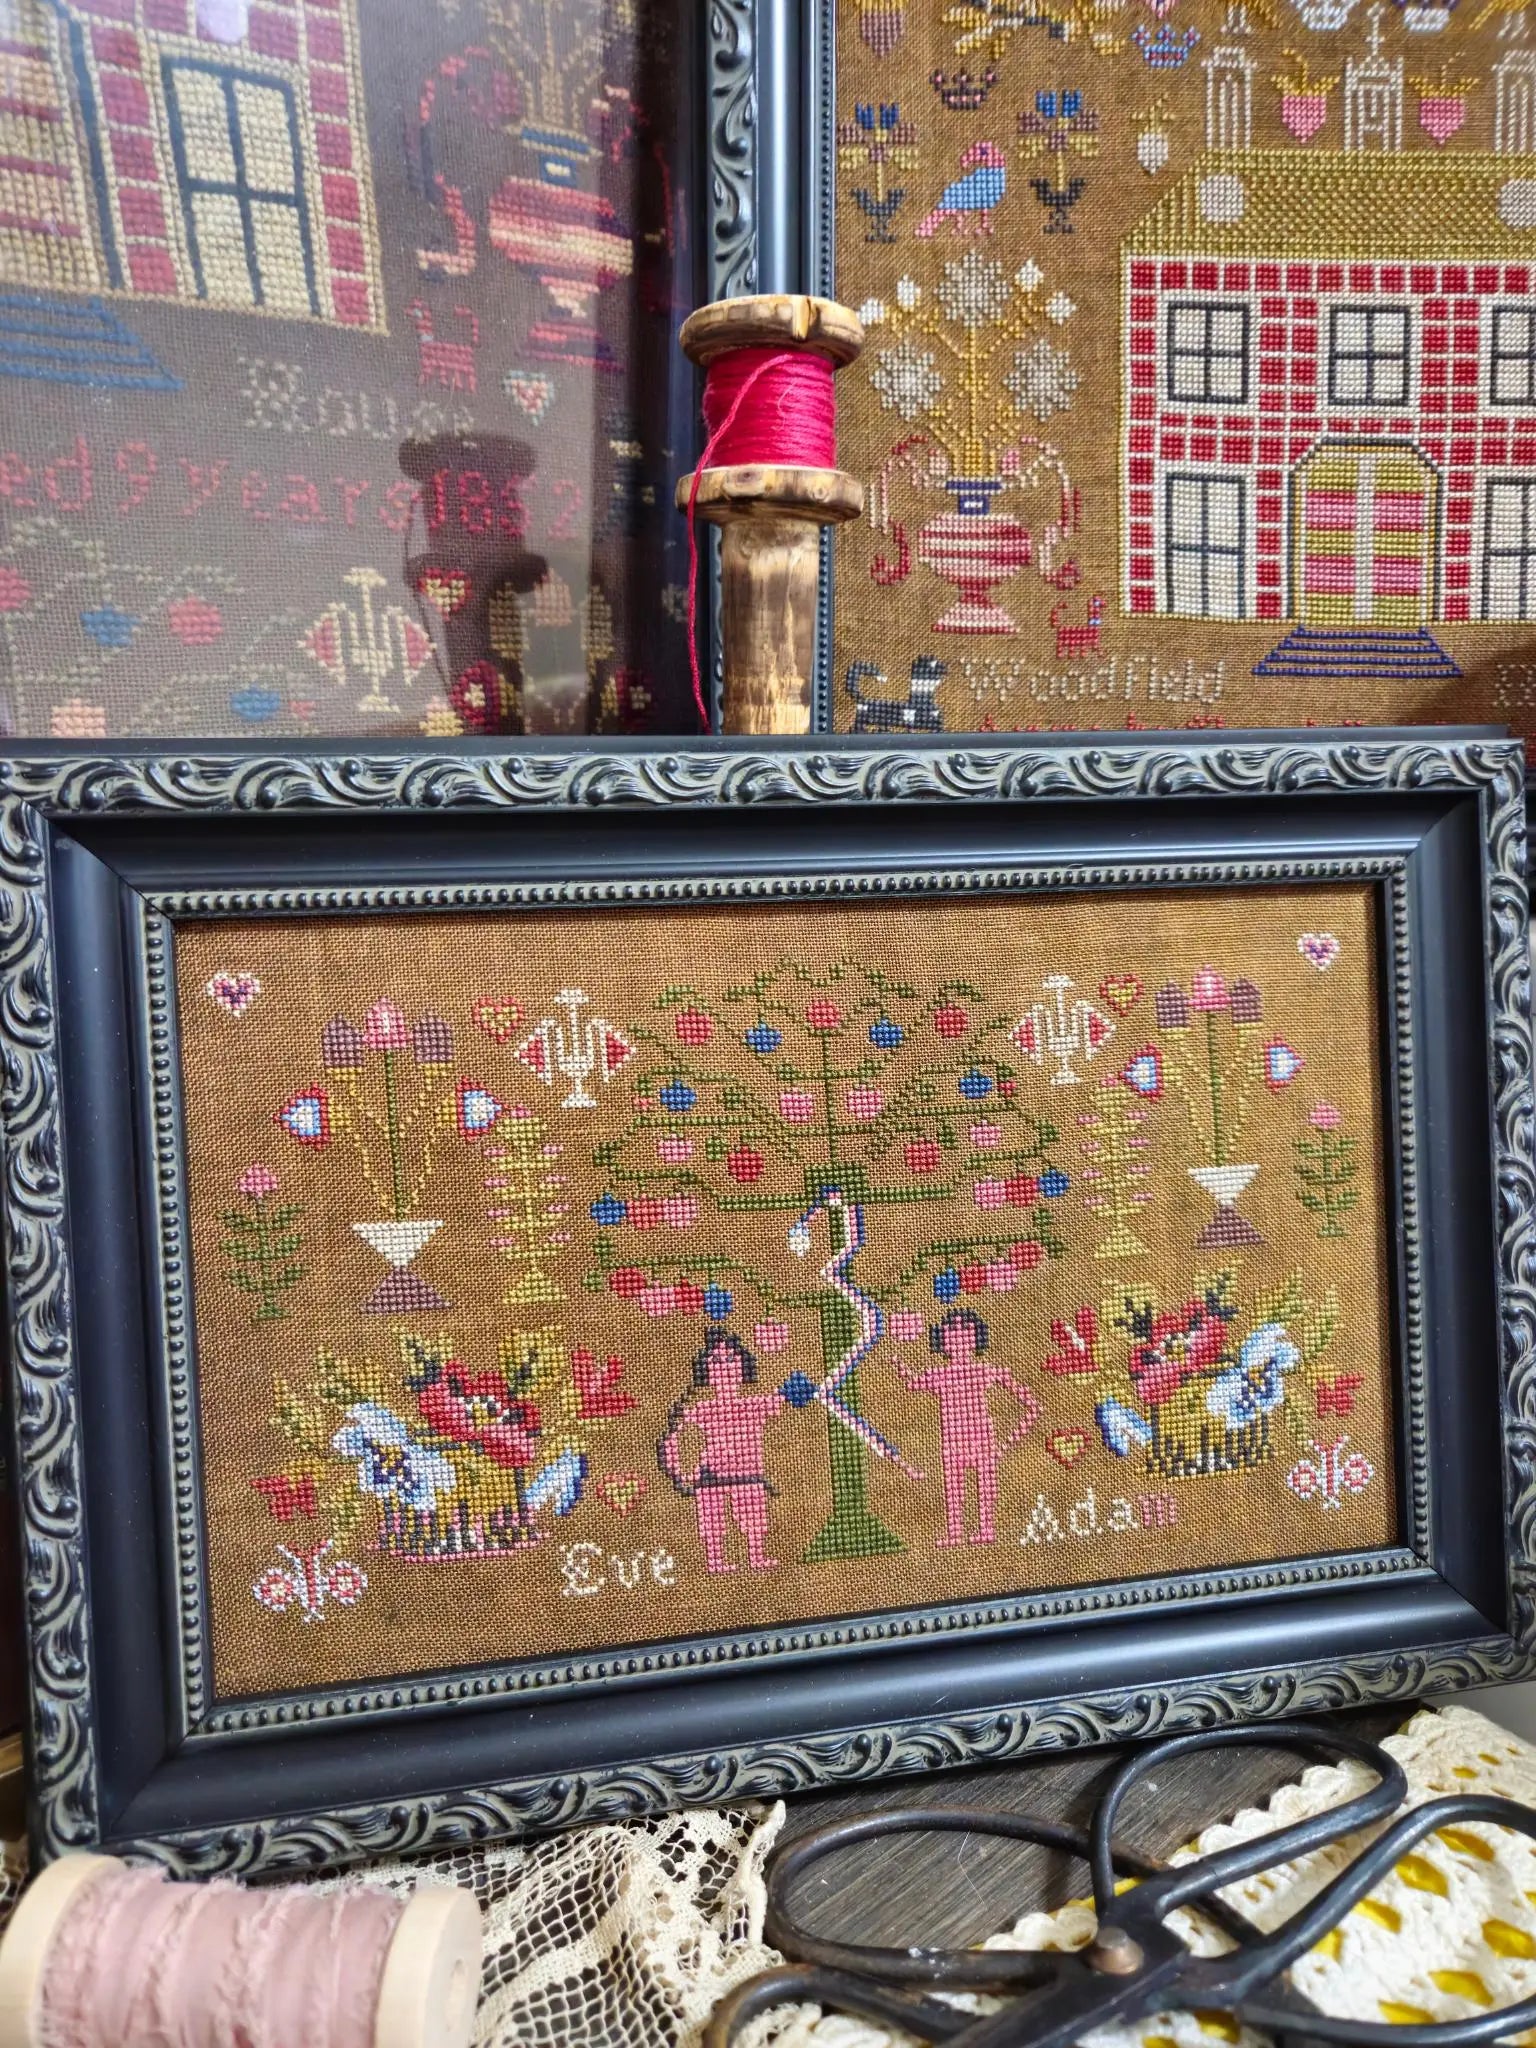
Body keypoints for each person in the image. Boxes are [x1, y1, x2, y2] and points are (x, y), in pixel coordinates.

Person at [897, 1308, 1038, 1545]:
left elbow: (1032, 1407)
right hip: (953, 1442)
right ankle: (955, 1532)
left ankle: (986, 1529)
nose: (958, 1334)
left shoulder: (984, 1372)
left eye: (965, 1328)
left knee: (984, 1484)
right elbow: (912, 1383)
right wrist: (897, 1363)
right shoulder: (940, 1375)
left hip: (981, 1439)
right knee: (954, 1486)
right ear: (941, 1338)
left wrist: (1008, 1441)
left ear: (977, 1337)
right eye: (952, 1329)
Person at [658, 1328, 788, 1572]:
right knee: (712, 1521)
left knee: (753, 1517)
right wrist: (678, 1470)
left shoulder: (753, 1405)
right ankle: (715, 1560)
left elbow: (779, 1399)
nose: (724, 1367)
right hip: (710, 1476)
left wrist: (793, 1390)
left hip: (747, 1475)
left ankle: (756, 1555)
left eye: (730, 1359)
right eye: (716, 1361)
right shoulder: (702, 1409)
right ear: (706, 1370)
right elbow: (674, 1435)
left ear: (742, 1365)